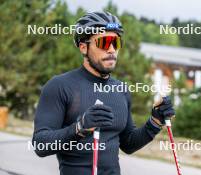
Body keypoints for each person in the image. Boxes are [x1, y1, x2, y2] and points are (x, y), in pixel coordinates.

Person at [32, 11, 175, 175]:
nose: (112, 50)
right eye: (104, 42)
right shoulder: (60, 86)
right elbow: (40, 144)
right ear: (83, 47)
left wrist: (155, 122)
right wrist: (80, 128)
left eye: (116, 42)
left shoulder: (121, 89)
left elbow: (128, 144)